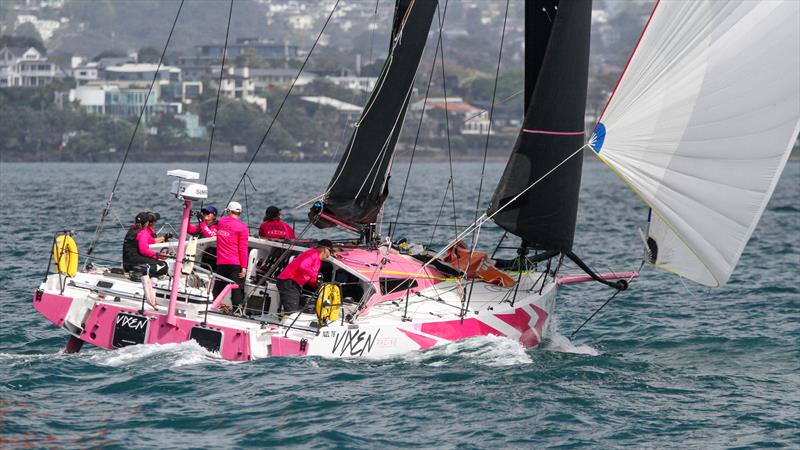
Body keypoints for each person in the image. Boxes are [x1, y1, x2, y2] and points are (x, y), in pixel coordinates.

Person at [276, 239, 334, 314]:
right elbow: (303, 266)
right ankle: (286, 319)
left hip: (295, 284)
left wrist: (318, 283)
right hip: (288, 281)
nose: (329, 255)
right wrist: (314, 274)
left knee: (300, 307)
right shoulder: (312, 253)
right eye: (330, 251)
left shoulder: (318, 262)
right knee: (291, 311)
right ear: (325, 249)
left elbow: (312, 279)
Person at [214, 201, 250, 311]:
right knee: (237, 290)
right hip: (236, 264)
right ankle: (237, 312)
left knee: (218, 290)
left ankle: (213, 308)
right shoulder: (243, 227)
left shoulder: (221, 222)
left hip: (221, 264)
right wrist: (244, 267)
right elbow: (243, 249)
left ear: (228, 211)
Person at [122, 211, 170, 277]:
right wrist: (158, 255)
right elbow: (143, 250)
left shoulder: (131, 229)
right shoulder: (142, 232)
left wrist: (163, 238)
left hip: (126, 264)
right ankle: (140, 271)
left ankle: (141, 271)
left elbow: (150, 240)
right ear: (147, 222)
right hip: (135, 264)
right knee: (163, 265)